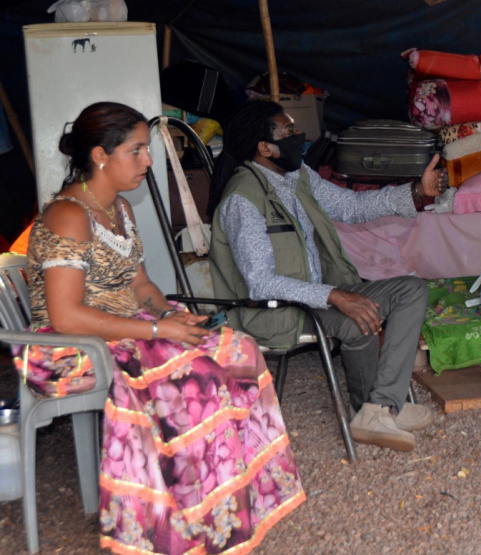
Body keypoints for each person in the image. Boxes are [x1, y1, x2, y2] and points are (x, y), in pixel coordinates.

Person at [16, 102, 305, 554]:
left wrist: (168, 314)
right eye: (137, 151)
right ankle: (181, 521)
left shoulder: (121, 210)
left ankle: (235, 501)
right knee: (198, 377)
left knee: (239, 350)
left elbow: (142, 285)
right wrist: (155, 333)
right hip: (69, 348)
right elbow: (65, 316)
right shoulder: (68, 216)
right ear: (100, 156)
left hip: (124, 328)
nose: (148, 161)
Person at [208, 100, 445, 452]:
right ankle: (370, 408)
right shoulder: (243, 199)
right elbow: (260, 283)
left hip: (314, 296)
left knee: (411, 290)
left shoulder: (296, 176)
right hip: (272, 309)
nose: (298, 136)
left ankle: (380, 406)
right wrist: (335, 296)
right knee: (357, 316)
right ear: (264, 147)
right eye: (288, 131)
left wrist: (416, 192)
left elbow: (350, 206)